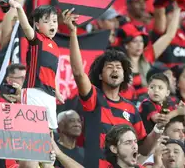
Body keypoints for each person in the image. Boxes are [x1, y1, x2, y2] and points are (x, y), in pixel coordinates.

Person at [63, 10, 161, 168]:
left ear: (124, 75)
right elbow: (78, 73)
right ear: (100, 75)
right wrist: (73, 32)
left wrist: (158, 130)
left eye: (119, 68)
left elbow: (143, 148)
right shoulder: (93, 98)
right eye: (109, 67)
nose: (115, 70)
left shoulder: (131, 109)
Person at [8, 0, 64, 130]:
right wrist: (19, 8)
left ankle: (49, 151)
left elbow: (52, 73)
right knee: (32, 129)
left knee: (49, 129)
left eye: (54, 21)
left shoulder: (56, 47)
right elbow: (26, 26)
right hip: (34, 90)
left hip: (49, 95)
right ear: (38, 25)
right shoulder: (37, 39)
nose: (52, 24)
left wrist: (57, 92)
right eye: (47, 21)